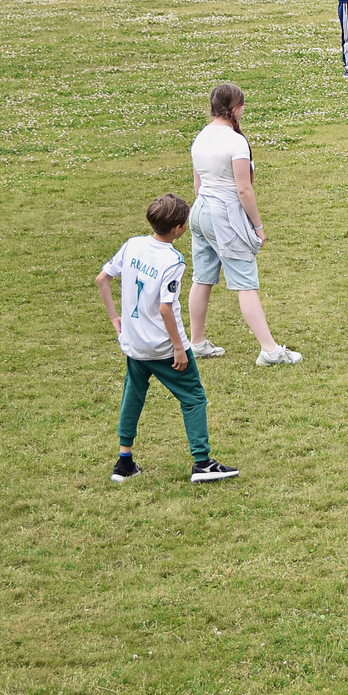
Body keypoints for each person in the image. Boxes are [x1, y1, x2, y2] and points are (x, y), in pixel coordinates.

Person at [96, 192, 240, 483]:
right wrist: (178, 348)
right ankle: (202, 463)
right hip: (162, 345)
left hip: (134, 343)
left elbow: (102, 279)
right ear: (178, 229)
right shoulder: (173, 260)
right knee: (193, 397)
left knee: (133, 395)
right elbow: (165, 308)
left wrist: (115, 318)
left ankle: (124, 462)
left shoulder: (133, 244)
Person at [187, 83, 302, 366]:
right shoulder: (235, 142)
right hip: (224, 214)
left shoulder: (200, 138)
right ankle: (270, 350)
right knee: (245, 282)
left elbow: (197, 185)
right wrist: (258, 226)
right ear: (235, 108)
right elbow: (244, 190)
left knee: (202, 277)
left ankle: (197, 342)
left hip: (200, 210)